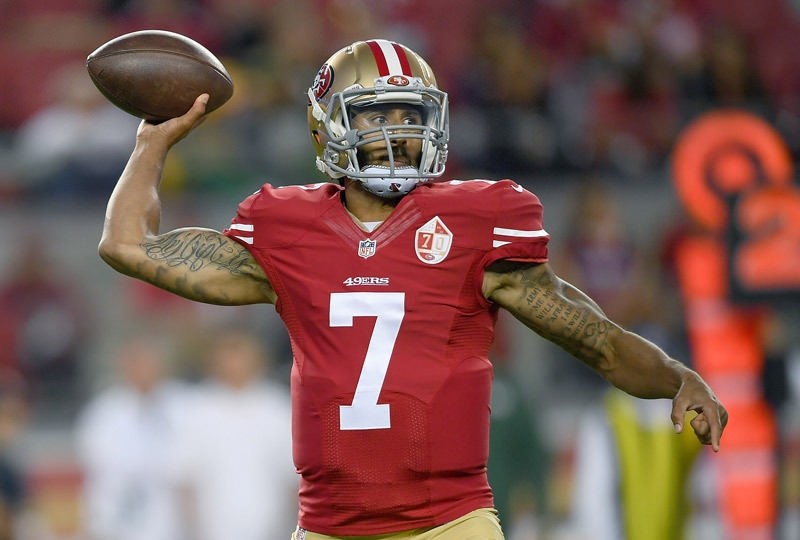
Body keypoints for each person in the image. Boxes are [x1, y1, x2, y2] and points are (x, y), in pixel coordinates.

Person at [98, 39, 728, 540]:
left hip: (449, 524)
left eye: (411, 115)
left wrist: (676, 377)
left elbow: (595, 338)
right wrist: (153, 143)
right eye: (377, 116)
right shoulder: (286, 229)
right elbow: (127, 246)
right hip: (328, 526)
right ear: (328, 128)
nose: (397, 133)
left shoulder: (476, 221)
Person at [166, 328, 296, 540]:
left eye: (241, 356)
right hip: (213, 529)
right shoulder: (197, 409)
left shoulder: (278, 407)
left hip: (271, 528)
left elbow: (293, 478)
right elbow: (185, 477)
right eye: (229, 356)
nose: (235, 364)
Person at [75, 334, 186, 540]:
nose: (143, 369)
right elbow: (101, 475)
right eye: (135, 362)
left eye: (148, 362)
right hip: (120, 520)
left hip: (170, 521)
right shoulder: (104, 413)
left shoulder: (183, 406)